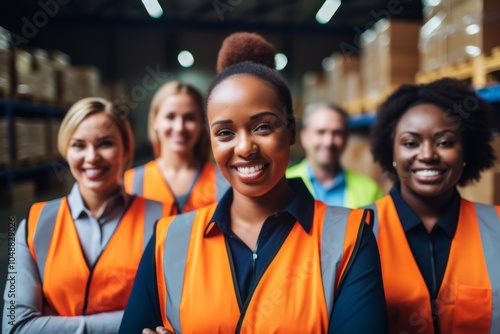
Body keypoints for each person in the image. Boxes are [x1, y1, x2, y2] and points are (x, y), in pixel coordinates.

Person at [119, 58, 388, 332]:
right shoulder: (170, 239)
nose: (245, 148)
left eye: (263, 127)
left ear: (292, 131)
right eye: (225, 133)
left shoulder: (350, 237)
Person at [2, 97, 167, 333]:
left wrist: (50, 324)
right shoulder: (33, 224)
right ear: (65, 151)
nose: (91, 157)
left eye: (105, 143)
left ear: (126, 149)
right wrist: (130, 320)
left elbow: (168, 315)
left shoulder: (164, 220)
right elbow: (14, 326)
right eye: (79, 145)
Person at [368, 77, 500, 334]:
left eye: (445, 142)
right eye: (410, 143)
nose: (427, 155)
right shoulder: (357, 230)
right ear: (391, 153)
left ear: (466, 152)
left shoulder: (497, 227)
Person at [124, 81, 228, 215]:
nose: (179, 127)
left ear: (202, 122)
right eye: (170, 117)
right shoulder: (130, 182)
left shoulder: (224, 180)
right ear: (155, 120)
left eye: (190, 118)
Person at [286, 102, 383, 208]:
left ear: (346, 139)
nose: (328, 142)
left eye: (337, 133)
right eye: (321, 132)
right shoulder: (283, 185)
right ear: (304, 137)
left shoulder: (369, 190)